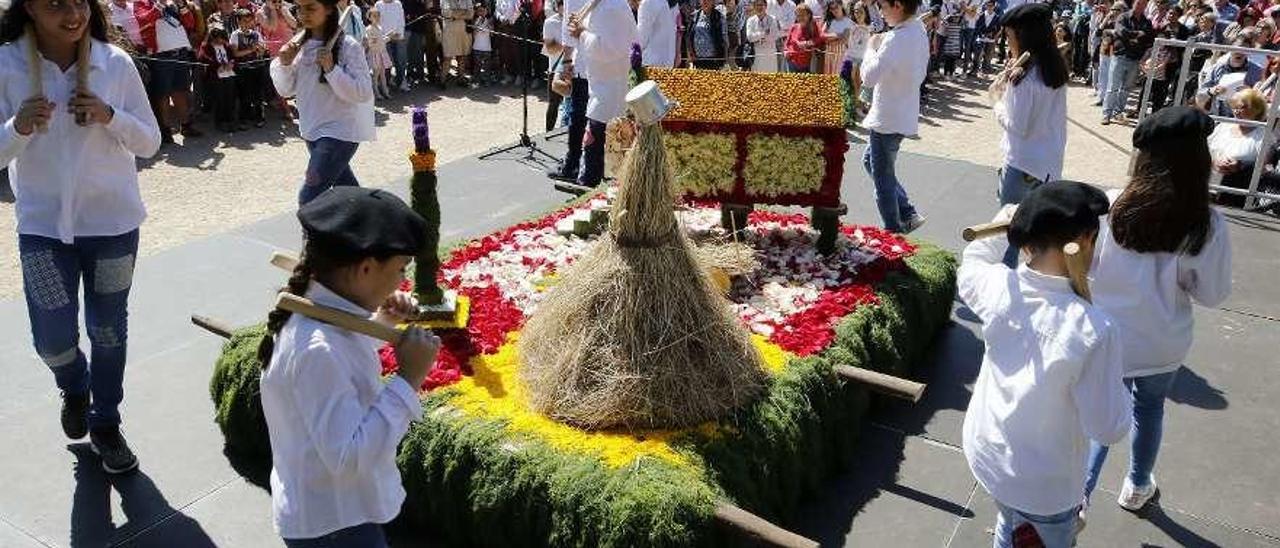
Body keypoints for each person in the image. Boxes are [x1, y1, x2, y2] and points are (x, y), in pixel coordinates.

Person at [0, 0, 162, 473]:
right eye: (56, 4)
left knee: (108, 331)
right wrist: (17, 126)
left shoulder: (115, 63)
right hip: (43, 229)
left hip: (112, 226)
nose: (72, 13)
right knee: (52, 341)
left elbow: (150, 141)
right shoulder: (7, 63)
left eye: (79, 2)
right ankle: (74, 385)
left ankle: (106, 422)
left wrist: (112, 115)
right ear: (30, 6)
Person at [259, 187, 441, 548]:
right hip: (335, 526)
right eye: (400, 270)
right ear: (366, 268)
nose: (401, 281)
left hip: (332, 514)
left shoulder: (320, 314)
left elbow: (346, 363)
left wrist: (383, 319)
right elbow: (348, 456)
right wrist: (407, 380)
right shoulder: (317, 349)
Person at [960, 181, 1131, 548]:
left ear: (1023, 241)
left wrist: (1004, 218)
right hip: (1044, 487)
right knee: (1033, 533)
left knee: (1011, 522)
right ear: (1085, 239)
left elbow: (974, 261)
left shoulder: (998, 287)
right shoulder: (1096, 330)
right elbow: (1109, 427)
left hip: (989, 453)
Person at [1084, 106, 1232, 517]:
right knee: (1148, 410)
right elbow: (1213, 294)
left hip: (1109, 333)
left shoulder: (1113, 205)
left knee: (1100, 415)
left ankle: (1079, 496)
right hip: (1162, 343)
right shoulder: (1206, 223)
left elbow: (1091, 265)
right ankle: (1136, 483)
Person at [272, 0, 376, 205]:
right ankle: (371, 229)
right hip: (312, 131)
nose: (303, 14)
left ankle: (312, 238)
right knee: (349, 192)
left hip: (340, 133)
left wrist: (332, 70)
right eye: (299, 9)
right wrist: (284, 64)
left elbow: (363, 92)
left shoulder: (348, 46)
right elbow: (286, 89)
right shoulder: (298, 47)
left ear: (328, 9)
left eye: (311, 8)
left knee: (308, 198)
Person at [991, 3, 1069, 266]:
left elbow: (1018, 125)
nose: (1007, 42)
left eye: (1010, 37)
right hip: (1046, 164)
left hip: (1021, 162)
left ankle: (1005, 283)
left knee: (1009, 232)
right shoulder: (1053, 69)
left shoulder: (1024, 79)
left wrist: (997, 103)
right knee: (1033, 232)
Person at [860, 0, 929, 233]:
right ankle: (908, 212)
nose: (881, 12)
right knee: (871, 162)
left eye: (883, 6)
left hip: (887, 119)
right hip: (900, 115)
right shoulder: (918, 30)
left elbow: (868, 77)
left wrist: (871, 47)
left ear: (897, 5)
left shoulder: (896, 38)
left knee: (883, 182)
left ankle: (894, 233)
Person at [568, 0, 638, 186]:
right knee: (598, 153)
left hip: (610, 93)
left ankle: (589, 191)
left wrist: (581, 33)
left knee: (601, 157)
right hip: (603, 88)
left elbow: (607, 49)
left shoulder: (612, 8)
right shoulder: (602, 5)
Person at [134, 0, 202, 142]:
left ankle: (186, 125)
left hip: (181, 52)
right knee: (162, 94)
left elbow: (189, 23)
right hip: (161, 54)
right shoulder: (142, 3)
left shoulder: (174, 2)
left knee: (181, 91)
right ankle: (165, 131)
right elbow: (144, 19)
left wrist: (182, 5)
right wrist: (159, 5)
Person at [1103, 0, 1153, 124]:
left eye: (1143, 4)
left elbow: (1147, 37)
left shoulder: (1146, 22)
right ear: (1133, 4)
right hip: (1120, 56)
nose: (1140, 5)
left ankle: (1118, 113)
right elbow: (1121, 32)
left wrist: (1130, 36)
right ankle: (1106, 114)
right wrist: (1137, 35)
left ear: (1146, 6)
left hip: (1135, 59)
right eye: (1138, 3)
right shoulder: (1123, 17)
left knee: (1126, 88)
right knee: (1113, 87)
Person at [231, 8, 268, 129]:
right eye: (244, 21)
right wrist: (251, 50)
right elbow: (235, 54)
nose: (247, 23)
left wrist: (261, 49)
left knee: (258, 94)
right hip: (243, 69)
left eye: (249, 20)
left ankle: (259, 117)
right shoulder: (235, 35)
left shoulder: (256, 34)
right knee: (244, 95)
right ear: (239, 22)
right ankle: (243, 119)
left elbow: (262, 51)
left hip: (257, 67)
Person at [198, 25, 239, 131]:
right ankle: (220, 122)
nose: (220, 41)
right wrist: (217, 66)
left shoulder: (226, 46)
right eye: (218, 38)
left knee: (230, 97)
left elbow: (233, 56)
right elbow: (203, 58)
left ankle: (231, 120)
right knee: (219, 99)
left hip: (229, 75)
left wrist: (231, 63)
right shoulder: (206, 47)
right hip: (216, 76)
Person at [686, 0, 728, 69]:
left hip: (714, 60)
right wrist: (690, 54)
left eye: (708, 0)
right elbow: (689, 36)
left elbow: (725, 40)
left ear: (713, 2)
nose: (705, 2)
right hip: (697, 59)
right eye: (703, 0)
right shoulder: (695, 16)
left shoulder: (719, 17)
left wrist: (724, 60)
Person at [543, 0, 565, 130]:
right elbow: (549, 48)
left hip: (574, 69)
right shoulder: (550, 22)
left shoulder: (577, 20)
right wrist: (568, 46)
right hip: (556, 69)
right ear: (557, 7)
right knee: (553, 104)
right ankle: (548, 132)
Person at [377, 0, 408, 90]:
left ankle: (401, 81)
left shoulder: (398, 3)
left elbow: (401, 20)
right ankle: (385, 82)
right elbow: (377, 21)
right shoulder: (378, 4)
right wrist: (382, 36)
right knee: (386, 61)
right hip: (384, 38)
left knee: (400, 60)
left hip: (398, 36)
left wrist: (399, 34)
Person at [441, 0, 473, 84]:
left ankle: (461, 78)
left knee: (462, 56)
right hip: (449, 32)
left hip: (463, 31)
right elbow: (447, 13)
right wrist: (464, 12)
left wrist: (455, 16)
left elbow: (471, 14)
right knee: (447, 57)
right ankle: (442, 79)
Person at [638, 0, 678, 67]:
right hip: (668, 61)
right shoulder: (671, 3)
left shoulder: (648, 3)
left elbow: (641, 38)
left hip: (650, 63)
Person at [784, 3, 821, 72]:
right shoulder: (794, 27)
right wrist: (786, 51)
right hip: (792, 61)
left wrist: (807, 43)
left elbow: (819, 39)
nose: (800, 18)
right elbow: (787, 42)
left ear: (809, 15)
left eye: (803, 15)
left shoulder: (813, 26)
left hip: (806, 62)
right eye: (798, 16)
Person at [366, 6, 394, 98]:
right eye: (374, 16)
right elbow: (370, 42)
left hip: (382, 53)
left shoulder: (379, 28)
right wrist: (385, 38)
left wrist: (388, 36)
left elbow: (381, 40)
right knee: (375, 75)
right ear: (369, 17)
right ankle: (376, 93)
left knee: (383, 74)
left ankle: (385, 91)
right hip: (375, 54)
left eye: (378, 16)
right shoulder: (369, 29)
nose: (377, 18)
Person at [746, 0, 782, 72]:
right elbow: (750, 37)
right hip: (757, 53)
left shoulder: (772, 19)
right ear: (754, 7)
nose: (760, 7)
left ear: (766, 6)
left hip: (770, 52)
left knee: (771, 76)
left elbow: (775, 35)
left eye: (761, 5)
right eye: (757, 5)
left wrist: (758, 37)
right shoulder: (750, 20)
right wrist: (763, 33)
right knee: (757, 77)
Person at [821, 0, 852, 74]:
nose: (835, 10)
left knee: (838, 78)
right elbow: (822, 36)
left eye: (836, 7)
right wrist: (838, 35)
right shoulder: (829, 22)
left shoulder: (848, 21)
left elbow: (845, 40)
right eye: (832, 8)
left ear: (841, 5)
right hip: (829, 56)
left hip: (841, 56)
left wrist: (830, 38)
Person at [470, 2, 495, 86]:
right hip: (477, 47)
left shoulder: (490, 21)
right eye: (480, 11)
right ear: (477, 12)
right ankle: (476, 80)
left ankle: (487, 80)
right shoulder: (475, 21)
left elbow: (492, 34)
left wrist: (489, 25)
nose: (482, 12)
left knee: (487, 66)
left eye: (484, 11)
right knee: (477, 65)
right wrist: (477, 25)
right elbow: (474, 34)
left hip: (487, 47)